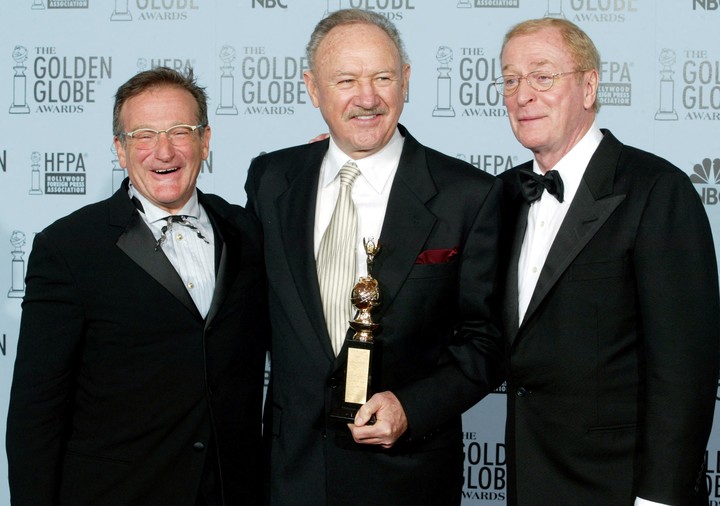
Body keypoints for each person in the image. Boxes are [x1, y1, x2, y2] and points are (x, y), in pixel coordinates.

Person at [244, 8, 504, 506]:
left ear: (406, 81)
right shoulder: (271, 179)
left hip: (406, 478)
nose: (367, 98)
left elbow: (487, 341)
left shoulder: (466, 194)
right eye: (346, 80)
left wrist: (412, 406)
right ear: (313, 89)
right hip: (289, 474)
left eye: (382, 77)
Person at [6, 66, 268, 505]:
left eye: (180, 131)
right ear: (120, 151)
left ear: (205, 141)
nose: (163, 151)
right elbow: (37, 413)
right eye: (143, 135)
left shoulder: (248, 232)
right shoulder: (69, 247)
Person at [496, 17, 720, 506]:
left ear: (589, 86)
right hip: (529, 484)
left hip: (620, 488)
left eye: (542, 75)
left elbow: (685, 370)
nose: (522, 94)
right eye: (510, 79)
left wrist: (659, 498)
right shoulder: (504, 194)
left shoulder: (657, 190)